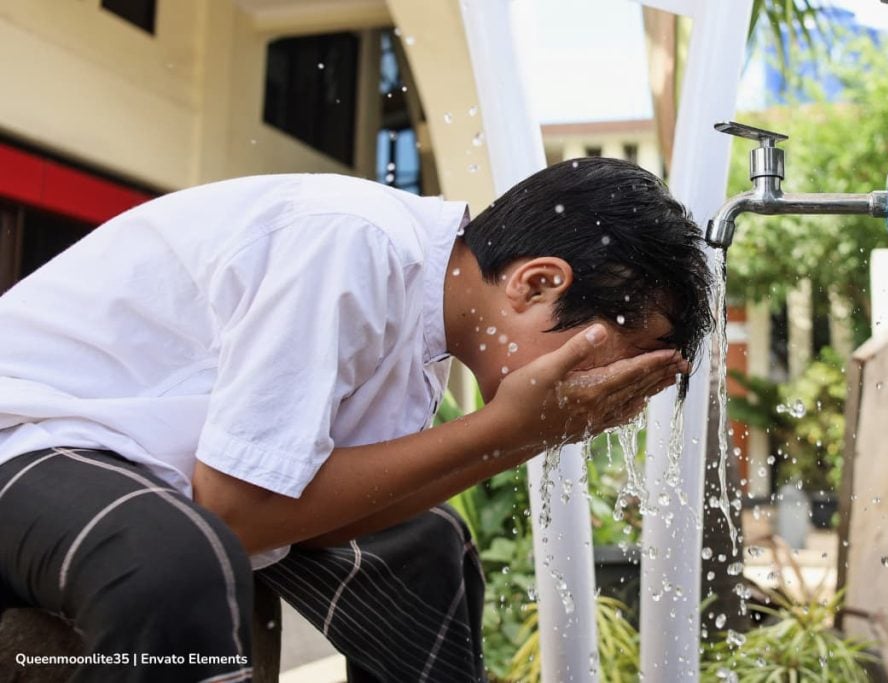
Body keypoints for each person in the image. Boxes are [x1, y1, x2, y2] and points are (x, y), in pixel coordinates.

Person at [0, 157, 712, 682]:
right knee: (176, 560)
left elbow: (314, 512)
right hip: (32, 437)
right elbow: (235, 511)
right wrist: (515, 430)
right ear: (537, 283)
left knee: (429, 544)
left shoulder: (424, 330)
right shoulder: (355, 246)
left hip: (147, 467)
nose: (597, 392)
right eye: (605, 362)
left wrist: (523, 434)